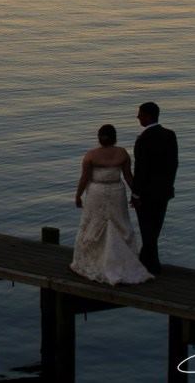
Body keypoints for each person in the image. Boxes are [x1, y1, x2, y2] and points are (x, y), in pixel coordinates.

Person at [69, 123, 153, 285]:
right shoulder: (122, 153)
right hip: (117, 192)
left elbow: (84, 178)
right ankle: (121, 262)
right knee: (120, 224)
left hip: (96, 193)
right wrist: (136, 194)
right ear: (115, 138)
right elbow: (129, 177)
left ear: (99, 138)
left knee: (94, 224)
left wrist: (78, 195)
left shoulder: (91, 155)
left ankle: (95, 262)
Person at [131, 101, 179, 274]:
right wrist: (168, 186)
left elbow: (141, 169)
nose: (138, 117)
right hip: (164, 191)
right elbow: (174, 164)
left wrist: (136, 194)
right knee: (155, 228)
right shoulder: (170, 135)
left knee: (147, 229)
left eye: (140, 114)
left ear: (148, 116)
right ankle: (147, 263)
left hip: (146, 193)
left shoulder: (143, 139)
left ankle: (151, 266)